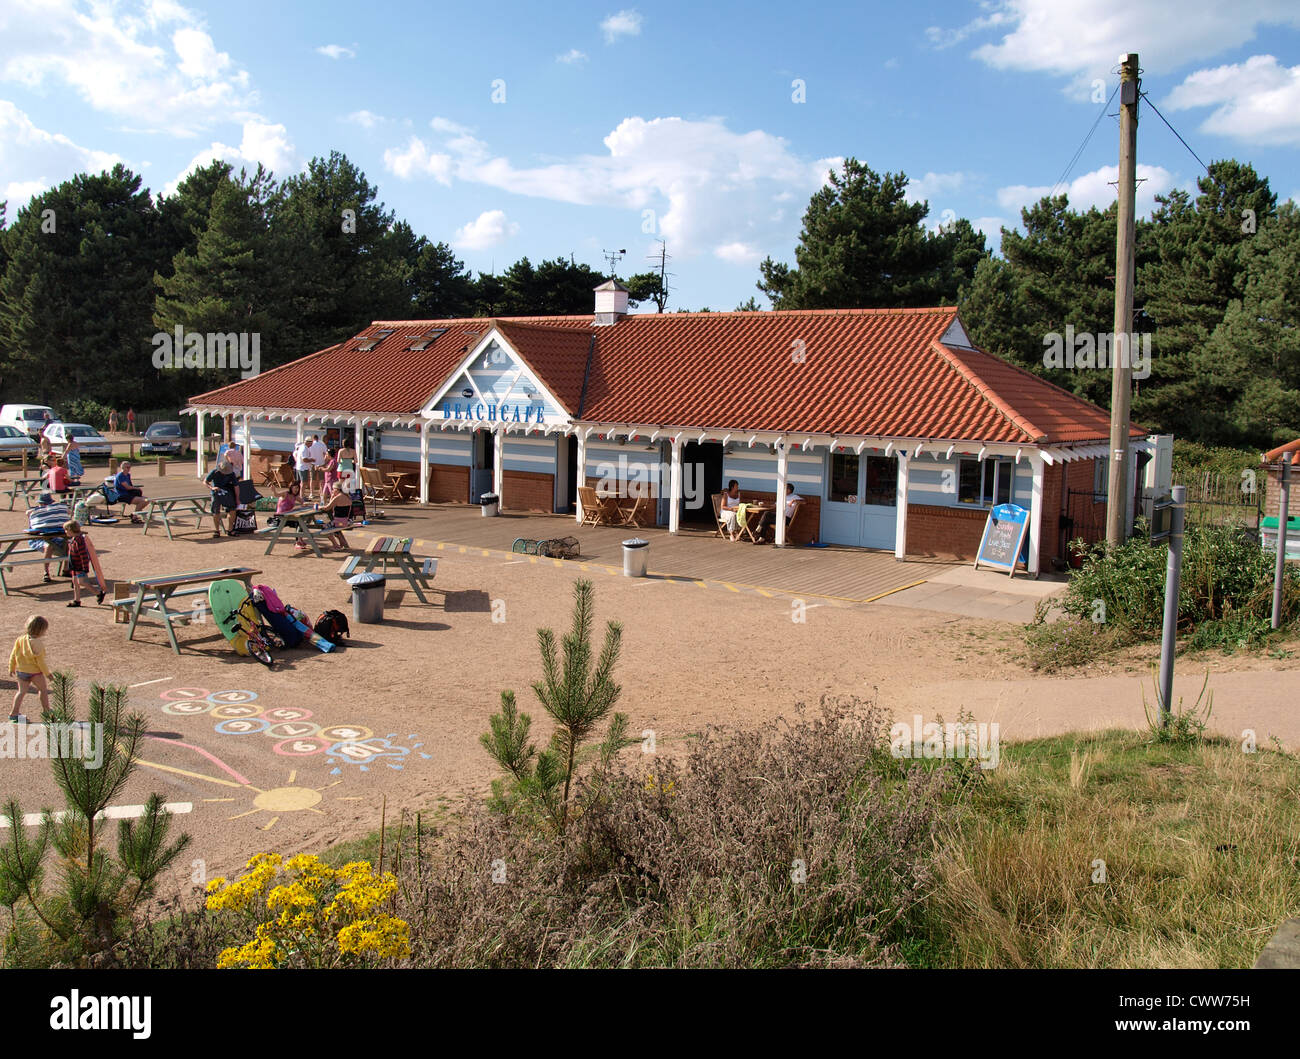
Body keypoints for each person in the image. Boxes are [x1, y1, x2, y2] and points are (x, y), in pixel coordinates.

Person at [9, 614, 52, 722]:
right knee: (42, 690)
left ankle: (14, 714)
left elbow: (13, 654)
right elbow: (40, 661)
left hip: (21, 671)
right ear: (41, 630)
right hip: (35, 673)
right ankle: (47, 712)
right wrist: (47, 674)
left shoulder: (20, 639)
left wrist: (11, 667)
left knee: (21, 692)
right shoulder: (37, 643)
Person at [28, 491, 70, 582]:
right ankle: (46, 572)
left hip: (54, 538)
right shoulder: (36, 512)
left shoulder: (37, 512)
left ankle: (66, 569)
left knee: (68, 544)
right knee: (49, 545)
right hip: (41, 540)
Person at [62, 520, 104, 607]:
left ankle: (98, 593)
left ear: (70, 530)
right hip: (74, 565)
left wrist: (84, 567)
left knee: (81, 582)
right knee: (75, 582)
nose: (65, 532)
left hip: (79, 566)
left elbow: (83, 555)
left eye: (66, 530)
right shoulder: (74, 539)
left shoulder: (79, 540)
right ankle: (77, 600)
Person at [205, 458, 239, 537]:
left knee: (232, 509)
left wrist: (237, 498)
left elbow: (236, 486)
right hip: (216, 492)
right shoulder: (214, 472)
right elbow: (205, 481)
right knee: (216, 511)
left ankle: (230, 529)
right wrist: (211, 488)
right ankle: (217, 530)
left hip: (227, 492)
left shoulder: (231, 474)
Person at [323, 480, 353, 551]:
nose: (332, 490)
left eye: (333, 489)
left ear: (338, 489)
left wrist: (319, 507)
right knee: (334, 526)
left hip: (341, 522)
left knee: (325, 528)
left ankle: (335, 545)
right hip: (349, 521)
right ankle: (343, 543)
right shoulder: (348, 497)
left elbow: (327, 508)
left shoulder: (338, 497)